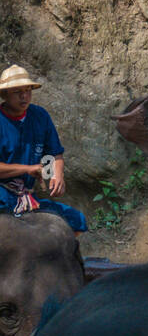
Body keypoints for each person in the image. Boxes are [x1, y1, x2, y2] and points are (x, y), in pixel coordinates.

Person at [0, 65, 87, 233]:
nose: (24, 96)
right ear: (4, 95)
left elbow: (55, 152)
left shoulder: (40, 116)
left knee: (76, 221)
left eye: (28, 90)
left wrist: (57, 174)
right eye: (17, 92)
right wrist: (28, 169)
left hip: (26, 197)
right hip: (2, 196)